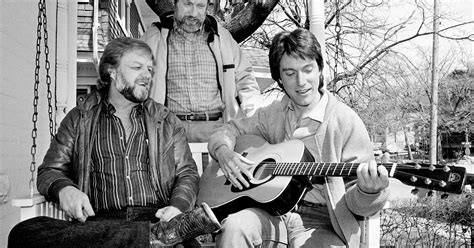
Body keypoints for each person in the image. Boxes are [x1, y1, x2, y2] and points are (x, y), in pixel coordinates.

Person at [8, 37, 220, 248]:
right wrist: (65, 189)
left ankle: (157, 234)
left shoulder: (166, 120)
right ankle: (154, 238)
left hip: (155, 217)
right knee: (24, 232)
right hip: (100, 224)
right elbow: (49, 171)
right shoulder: (79, 118)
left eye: (150, 70)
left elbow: (187, 173)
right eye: (137, 67)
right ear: (112, 71)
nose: (147, 76)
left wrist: (177, 207)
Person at [207, 28, 390, 247]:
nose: (301, 81)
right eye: (290, 73)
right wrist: (223, 151)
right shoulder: (271, 114)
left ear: (320, 70)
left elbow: (358, 204)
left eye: (307, 69)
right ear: (279, 78)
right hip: (270, 214)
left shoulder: (344, 121)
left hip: (322, 222)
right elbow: (227, 131)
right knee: (235, 227)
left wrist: (368, 192)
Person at [141, 0, 263, 143]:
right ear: (175, 4)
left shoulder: (222, 37)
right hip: (169, 130)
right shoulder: (154, 37)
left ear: (207, 7)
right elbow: (135, 79)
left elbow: (245, 79)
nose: (193, 13)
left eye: (200, 6)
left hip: (216, 131)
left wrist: (256, 117)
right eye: (187, 4)